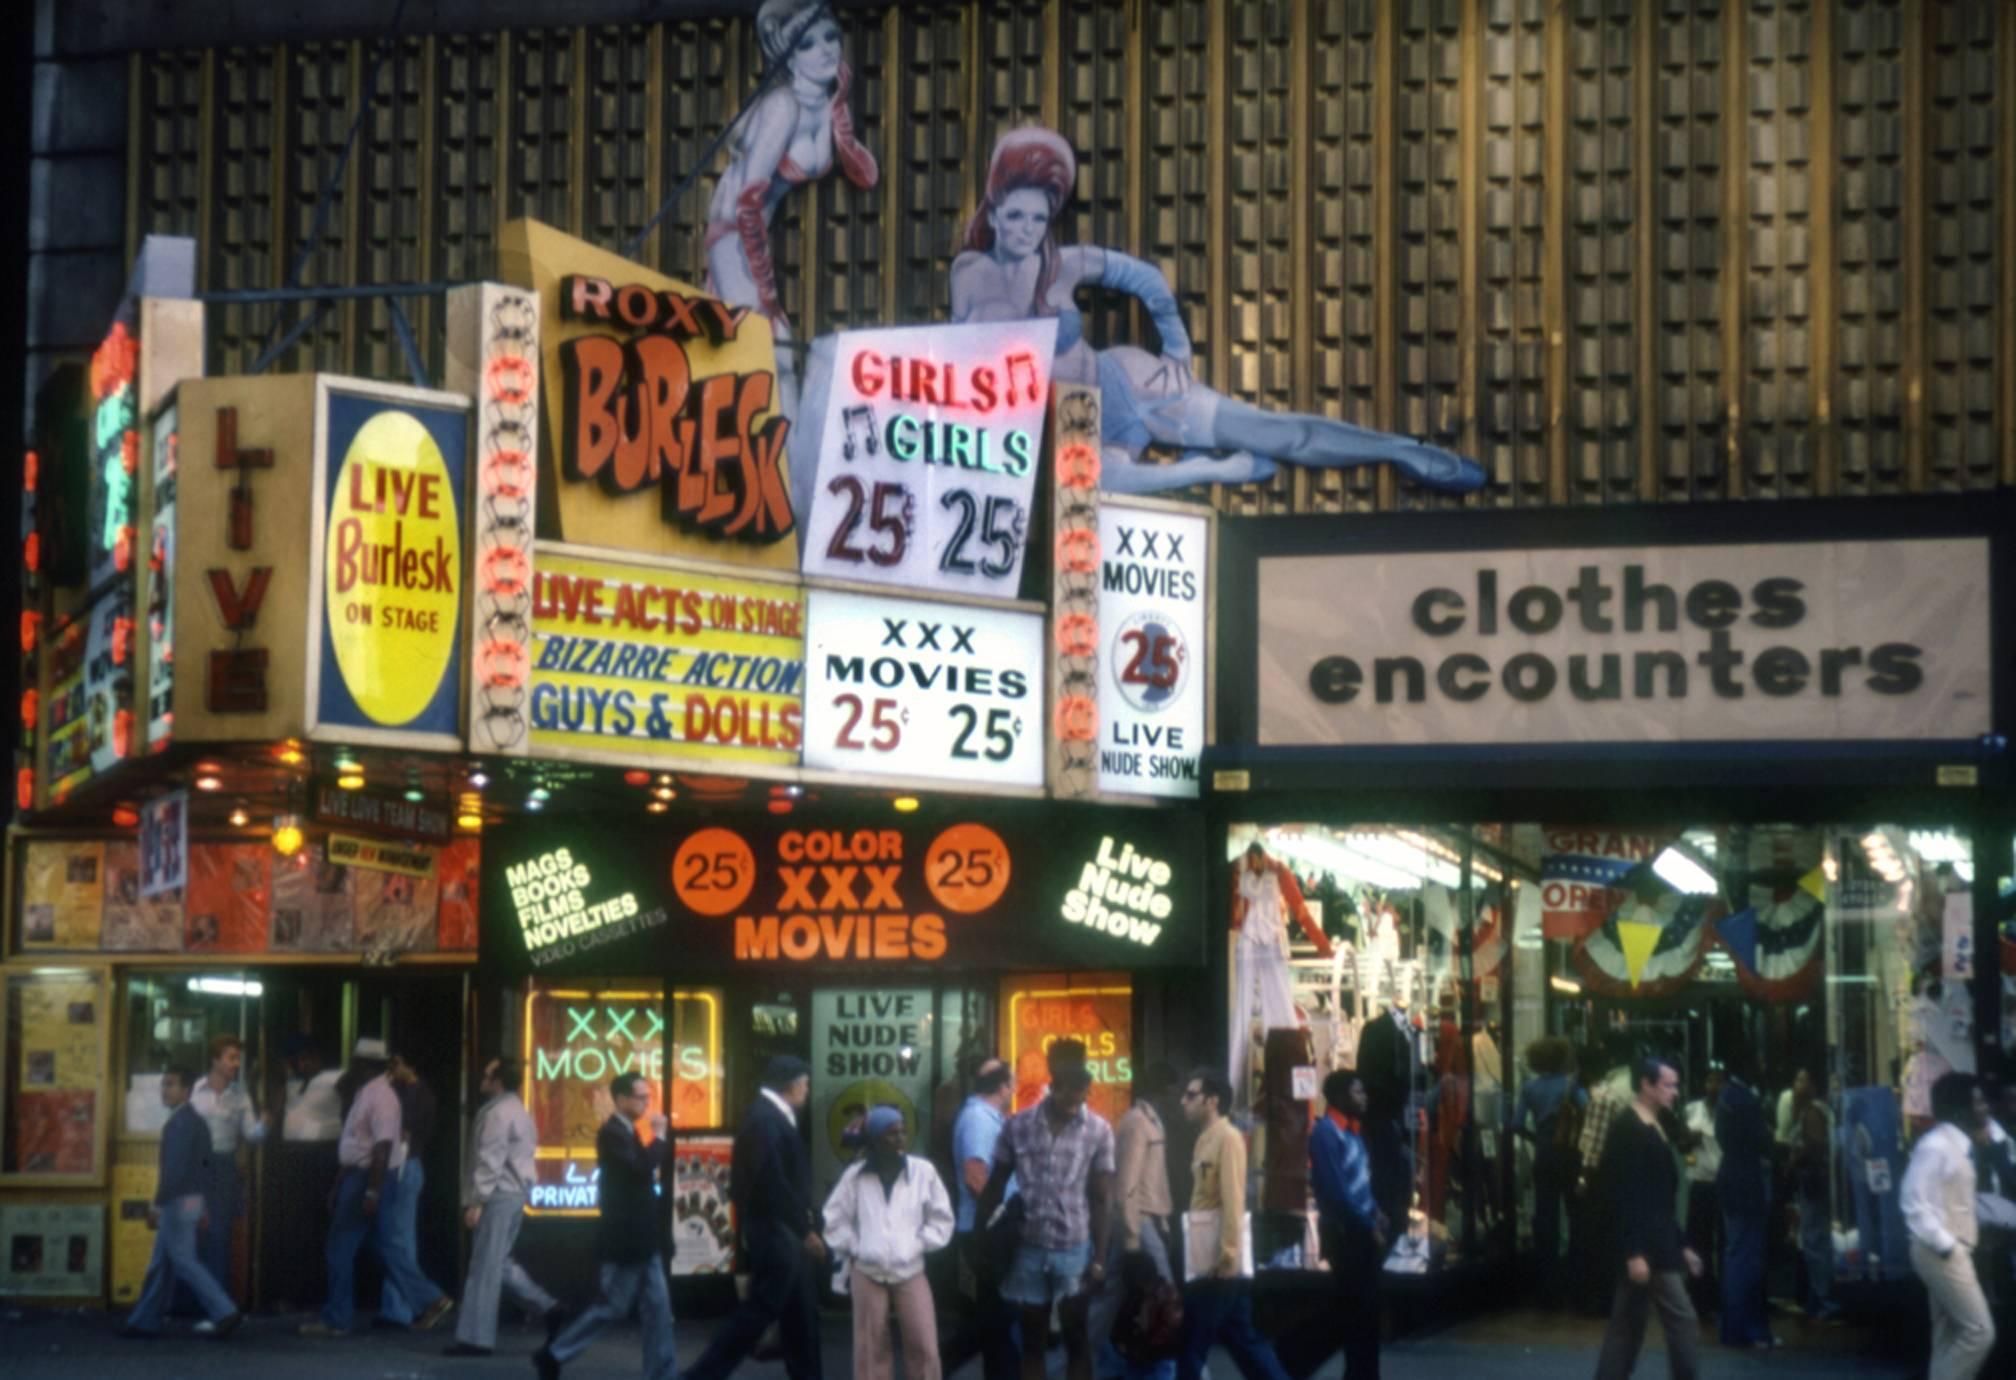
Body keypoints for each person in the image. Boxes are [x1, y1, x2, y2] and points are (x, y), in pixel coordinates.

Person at [947, 125, 1484, 496]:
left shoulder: (1063, 262)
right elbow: (962, 369)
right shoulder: (967, 275)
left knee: (1275, 432)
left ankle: (1401, 452)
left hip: (1129, 382)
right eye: (1015, 216)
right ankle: (1217, 472)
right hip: (1083, 426)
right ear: (992, 212)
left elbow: (1147, 279)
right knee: (1091, 482)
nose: (1026, 230)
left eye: (1038, 220)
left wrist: (1177, 344)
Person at [706, 0, 877, 418]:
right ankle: (779, 466)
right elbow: (747, 203)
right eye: (806, 44)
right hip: (734, 235)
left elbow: (867, 176)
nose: (825, 50)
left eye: (831, 36)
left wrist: (841, 111)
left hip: (752, 232)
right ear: (787, 55)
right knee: (771, 344)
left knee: (767, 350)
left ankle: (785, 465)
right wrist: (766, 290)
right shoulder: (782, 107)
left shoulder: (826, 105)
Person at [977, 1039, 1116, 1380]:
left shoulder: (1098, 1130)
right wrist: (979, 1238)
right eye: (1070, 1096)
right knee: (1033, 1341)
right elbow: (995, 1184)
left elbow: (1102, 1198)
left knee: (1076, 1338)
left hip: (1075, 1247)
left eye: (1083, 1096)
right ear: (1053, 1088)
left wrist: (1100, 1258)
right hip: (1028, 1247)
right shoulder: (1018, 1126)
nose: (1076, 1104)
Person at [683, 1056, 825, 1380]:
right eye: (805, 1082)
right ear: (790, 1084)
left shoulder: (772, 1116)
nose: (807, 1089)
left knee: (801, 1314)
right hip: (777, 1231)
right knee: (759, 1311)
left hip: (783, 1228)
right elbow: (770, 1180)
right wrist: (805, 1230)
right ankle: (701, 1375)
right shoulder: (765, 1119)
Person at [301, 1038, 453, 1338]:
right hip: (363, 1177)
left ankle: (337, 1318)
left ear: (365, 1065)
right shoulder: (368, 1092)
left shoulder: (380, 1096)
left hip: (369, 1178)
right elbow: (360, 1143)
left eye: (356, 1062)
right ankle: (430, 1298)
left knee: (340, 1248)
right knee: (385, 1247)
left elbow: (382, 1147)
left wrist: (371, 1190)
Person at [534, 1072, 674, 1380]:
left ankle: (662, 1372)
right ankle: (556, 1353)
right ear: (621, 1099)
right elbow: (639, 1168)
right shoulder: (612, 1133)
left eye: (647, 1097)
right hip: (627, 1239)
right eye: (640, 1097)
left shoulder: (628, 1132)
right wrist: (660, 1138)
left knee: (659, 1309)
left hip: (641, 1237)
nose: (646, 1103)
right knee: (614, 1306)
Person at [1172, 1069, 1290, 1380]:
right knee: (1243, 1340)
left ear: (1212, 1102)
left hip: (1217, 1261)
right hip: (1209, 1257)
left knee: (1194, 1343)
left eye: (1191, 1095)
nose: (1183, 1101)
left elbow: (1233, 1200)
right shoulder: (1204, 1139)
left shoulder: (1229, 1138)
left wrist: (1227, 1255)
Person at [822, 1104, 954, 1380]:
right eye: (892, 1134)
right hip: (867, 1272)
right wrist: (857, 1247)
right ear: (875, 1140)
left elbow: (942, 1218)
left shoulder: (922, 1171)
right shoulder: (855, 1176)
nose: (900, 1140)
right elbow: (834, 1219)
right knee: (871, 1350)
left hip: (911, 1270)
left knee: (924, 1346)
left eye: (903, 1133)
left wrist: (918, 1244)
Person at [1592, 1055, 1703, 1380]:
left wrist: (1680, 1244)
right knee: (1680, 1319)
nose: (1674, 1092)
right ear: (1646, 1085)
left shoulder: (1654, 1125)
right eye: (1667, 1085)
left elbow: (1659, 1197)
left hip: (1655, 1240)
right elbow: (1625, 1196)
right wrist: (1634, 1251)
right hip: (1647, 1244)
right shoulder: (1628, 1129)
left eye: (1675, 1085)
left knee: (1627, 1326)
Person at [445, 1057, 561, 1358]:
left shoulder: (497, 1114)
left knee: (484, 1267)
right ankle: (547, 1307)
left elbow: (490, 1160)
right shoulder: (519, 1111)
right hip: (514, 1193)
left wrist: (477, 1201)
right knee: (499, 1263)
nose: (482, 1079)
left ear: (497, 1081)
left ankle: (476, 1338)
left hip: (498, 1194)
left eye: (486, 1075)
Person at [119, 1065, 243, 1340]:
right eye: (163, 1084)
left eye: (172, 1084)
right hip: (193, 1199)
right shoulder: (195, 1121)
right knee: (161, 1263)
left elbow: (173, 1171)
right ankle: (144, 1320)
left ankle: (223, 1310)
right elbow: (205, 1166)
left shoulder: (178, 1124)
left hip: (177, 1200)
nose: (165, 1090)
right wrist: (204, 1205)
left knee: (183, 1260)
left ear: (187, 1091)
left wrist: (157, 1205)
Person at [1901, 1072, 1996, 1380]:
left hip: (1949, 1249)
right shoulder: (1936, 1145)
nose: (1984, 1108)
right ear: (1961, 1107)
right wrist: (1946, 1245)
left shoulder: (1956, 1143)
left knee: (1949, 1334)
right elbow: (1913, 1201)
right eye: (1978, 1102)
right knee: (1979, 1332)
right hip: (1941, 1251)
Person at [1091, 1063, 1176, 1372]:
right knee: (1163, 1293)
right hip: (1138, 1219)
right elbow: (1126, 1182)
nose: (1175, 1097)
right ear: (1160, 1090)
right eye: (1171, 1090)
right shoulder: (1138, 1123)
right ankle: (1166, 1369)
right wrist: (1131, 1237)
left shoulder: (1148, 1121)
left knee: (1112, 1293)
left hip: (1144, 1217)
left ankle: (1085, 1360)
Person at [941, 1056, 1019, 1380]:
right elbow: (976, 1177)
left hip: (991, 1228)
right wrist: (1001, 1216)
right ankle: (937, 1365)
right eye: (1012, 1082)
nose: (1015, 1088)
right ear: (1003, 1087)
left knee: (997, 1315)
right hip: (988, 1231)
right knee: (995, 1314)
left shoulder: (990, 1117)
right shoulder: (978, 1118)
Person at [1309, 1068, 1387, 1380]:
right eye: (1358, 1092)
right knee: (1356, 1312)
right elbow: (1335, 1189)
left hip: (1363, 1230)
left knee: (1361, 1313)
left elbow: (1359, 1182)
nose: (1364, 1098)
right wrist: (1367, 1224)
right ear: (1340, 1097)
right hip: (1346, 1234)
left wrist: (1376, 1212)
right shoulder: (1325, 1133)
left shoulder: (1353, 1133)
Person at [189, 1034, 272, 1295]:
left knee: (219, 1234)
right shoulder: (195, 1090)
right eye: (231, 1058)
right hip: (195, 1168)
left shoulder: (240, 1096)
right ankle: (191, 1303)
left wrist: (267, 1123)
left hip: (224, 1167)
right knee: (192, 1232)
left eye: (238, 1059)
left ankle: (217, 1307)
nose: (236, 1064)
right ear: (216, 1060)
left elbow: (251, 1135)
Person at [268, 1033, 343, 1311]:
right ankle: (296, 1291)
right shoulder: (294, 1084)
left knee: (317, 1227)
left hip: (321, 1156)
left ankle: (316, 1292)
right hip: (294, 1158)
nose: (301, 1065)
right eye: (295, 1061)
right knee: (295, 1228)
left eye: (304, 1059)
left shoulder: (335, 1078)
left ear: (316, 1057)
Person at [1515, 1036, 1586, 1303]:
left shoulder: (1529, 1088)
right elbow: (1587, 1108)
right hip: (1569, 1154)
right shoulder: (1570, 1085)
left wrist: (1538, 1139)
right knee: (1576, 1216)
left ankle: (1547, 1288)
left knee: (1546, 1219)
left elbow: (1516, 1122)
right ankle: (1577, 1283)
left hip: (1544, 1155)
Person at [380, 1052, 449, 1328]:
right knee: (398, 1238)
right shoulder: (414, 1092)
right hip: (409, 1164)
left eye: (396, 1064)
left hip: (405, 1165)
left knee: (399, 1239)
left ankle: (404, 1307)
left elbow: (406, 1131)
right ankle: (399, 1306)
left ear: (408, 1065)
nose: (392, 1069)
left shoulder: (416, 1095)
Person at [1714, 1050, 1775, 1348]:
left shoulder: (1726, 1097)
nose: (1763, 1064)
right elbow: (1762, 1142)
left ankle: (1732, 1327)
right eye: (1759, 1060)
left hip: (1729, 1178)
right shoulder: (1746, 1100)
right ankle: (1746, 1329)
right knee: (1746, 1258)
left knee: (1734, 1253)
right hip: (1747, 1182)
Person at [1784, 1068, 1840, 1321]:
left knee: (1815, 1241)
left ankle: (1823, 1299)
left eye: (1804, 1079)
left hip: (1813, 1183)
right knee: (1815, 1240)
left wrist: (1796, 1157)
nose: (1798, 1085)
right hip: (1813, 1183)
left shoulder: (1813, 1112)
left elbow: (1815, 1146)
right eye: (1796, 1079)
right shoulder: (1808, 1111)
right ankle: (1818, 1297)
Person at [1681, 1065, 1725, 1313]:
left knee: (1722, 1239)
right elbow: (1683, 1146)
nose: (1713, 1086)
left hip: (1722, 1180)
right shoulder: (1692, 1109)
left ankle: (1722, 1291)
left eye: (1718, 1081)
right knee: (1699, 1240)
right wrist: (1691, 1140)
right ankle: (1700, 1291)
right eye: (1709, 1080)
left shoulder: (1727, 1111)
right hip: (1699, 1180)